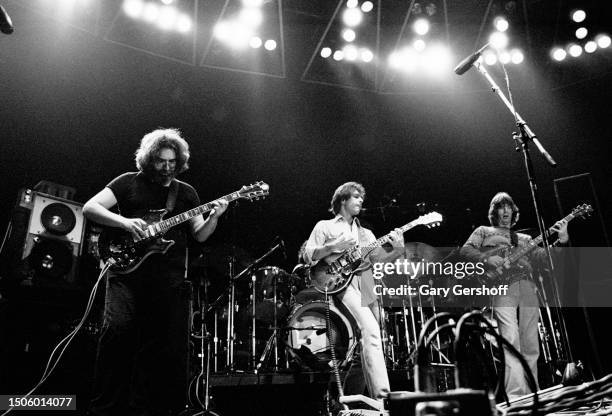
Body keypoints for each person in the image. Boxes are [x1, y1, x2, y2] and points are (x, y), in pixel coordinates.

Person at [84, 128, 228, 416]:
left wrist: (215, 216)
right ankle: (104, 407)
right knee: (117, 333)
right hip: (125, 275)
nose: (167, 167)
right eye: (162, 161)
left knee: (160, 347)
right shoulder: (127, 183)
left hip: (168, 280)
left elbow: (199, 235)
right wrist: (125, 223)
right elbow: (90, 208)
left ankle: (147, 408)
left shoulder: (186, 193)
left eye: (172, 162)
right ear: (149, 159)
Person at [460, 192, 569, 400]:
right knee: (510, 341)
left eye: (509, 207)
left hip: (527, 286)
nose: (506, 211)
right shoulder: (483, 231)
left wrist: (562, 241)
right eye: (501, 207)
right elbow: (465, 251)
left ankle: (533, 394)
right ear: (495, 212)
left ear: (514, 212)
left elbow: (544, 260)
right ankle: (517, 397)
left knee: (530, 343)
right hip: (502, 287)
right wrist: (487, 258)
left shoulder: (525, 239)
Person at [304, 182, 404, 403]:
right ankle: (383, 398)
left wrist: (397, 250)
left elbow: (378, 260)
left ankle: (349, 398)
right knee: (371, 332)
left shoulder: (366, 233)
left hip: (367, 283)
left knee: (369, 341)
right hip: (341, 284)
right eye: (356, 197)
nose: (360, 201)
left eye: (361, 198)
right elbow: (308, 255)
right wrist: (333, 246)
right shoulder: (325, 226)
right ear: (342, 200)